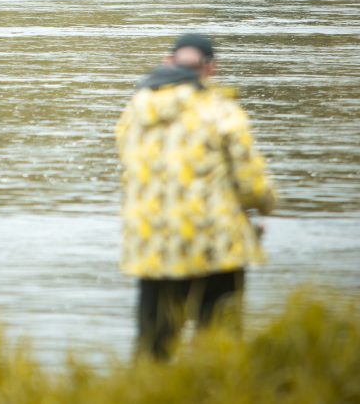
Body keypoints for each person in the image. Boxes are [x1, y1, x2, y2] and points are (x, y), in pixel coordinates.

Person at [115, 33, 277, 360]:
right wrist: (265, 205)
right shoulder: (220, 111)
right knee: (220, 340)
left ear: (168, 61)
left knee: (154, 345)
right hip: (215, 244)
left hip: (152, 242)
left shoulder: (135, 111)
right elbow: (252, 185)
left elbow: (127, 166)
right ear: (211, 69)